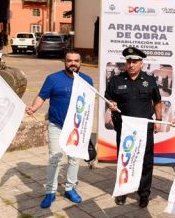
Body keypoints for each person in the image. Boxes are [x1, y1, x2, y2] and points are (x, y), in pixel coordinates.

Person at [26, 51, 94, 208]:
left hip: (76, 129)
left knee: (74, 159)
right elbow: (42, 96)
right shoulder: (53, 78)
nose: (73, 63)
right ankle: (50, 191)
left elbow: (89, 105)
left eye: (76, 61)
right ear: (64, 62)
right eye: (70, 60)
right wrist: (34, 108)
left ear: (81, 62)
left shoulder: (87, 80)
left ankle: (70, 188)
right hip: (56, 125)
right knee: (54, 158)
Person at [104, 46, 167, 208]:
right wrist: (111, 104)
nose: (131, 65)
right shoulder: (116, 80)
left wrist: (158, 120)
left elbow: (157, 102)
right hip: (124, 128)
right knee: (124, 159)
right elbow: (108, 98)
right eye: (129, 61)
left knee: (146, 161)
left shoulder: (149, 80)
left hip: (144, 128)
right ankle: (123, 191)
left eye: (135, 62)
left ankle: (144, 193)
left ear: (141, 63)